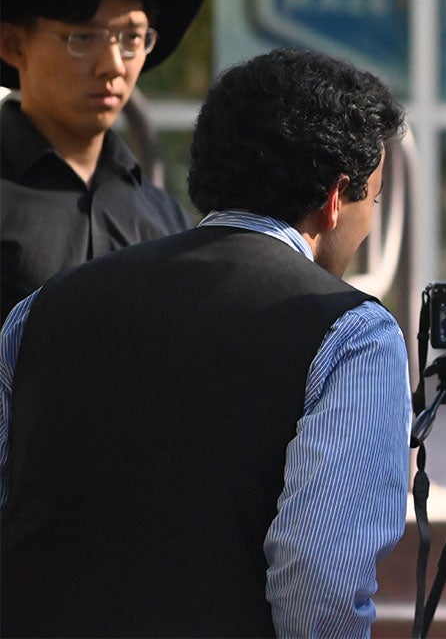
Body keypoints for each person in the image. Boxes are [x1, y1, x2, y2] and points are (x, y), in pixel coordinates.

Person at [0, 48, 411, 637]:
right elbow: (321, 576)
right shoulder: (353, 334)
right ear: (334, 198)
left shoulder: (40, 310)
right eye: (372, 200)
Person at [0, 0, 209, 322]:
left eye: (132, 37)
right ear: (14, 46)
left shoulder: (163, 215)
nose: (113, 65)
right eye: (83, 36)